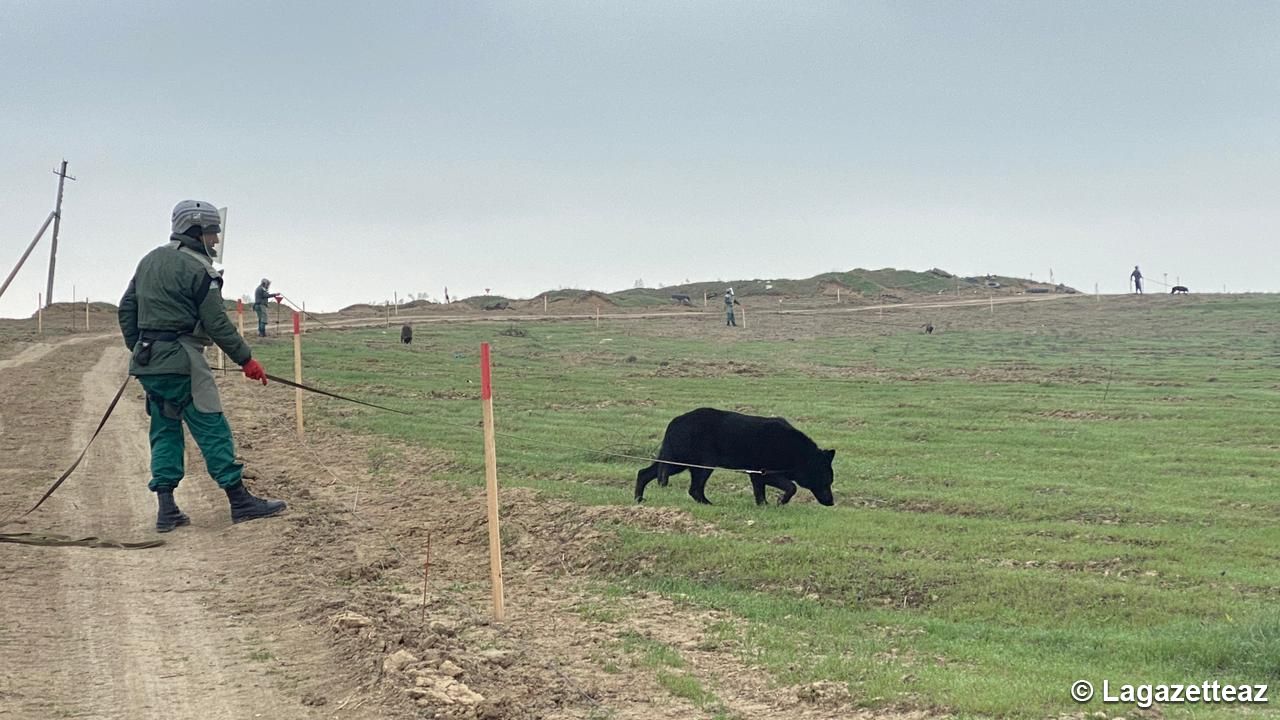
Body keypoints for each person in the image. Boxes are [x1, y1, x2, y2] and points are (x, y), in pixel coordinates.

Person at [118, 200, 286, 532]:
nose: (216, 242)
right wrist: (246, 360)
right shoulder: (201, 270)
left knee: (164, 431)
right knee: (212, 427)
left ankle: (166, 510)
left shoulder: (148, 261)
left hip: (149, 361)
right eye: (212, 234)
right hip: (184, 361)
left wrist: (141, 348)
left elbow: (126, 310)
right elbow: (217, 324)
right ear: (195, 231)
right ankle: (240, 502)